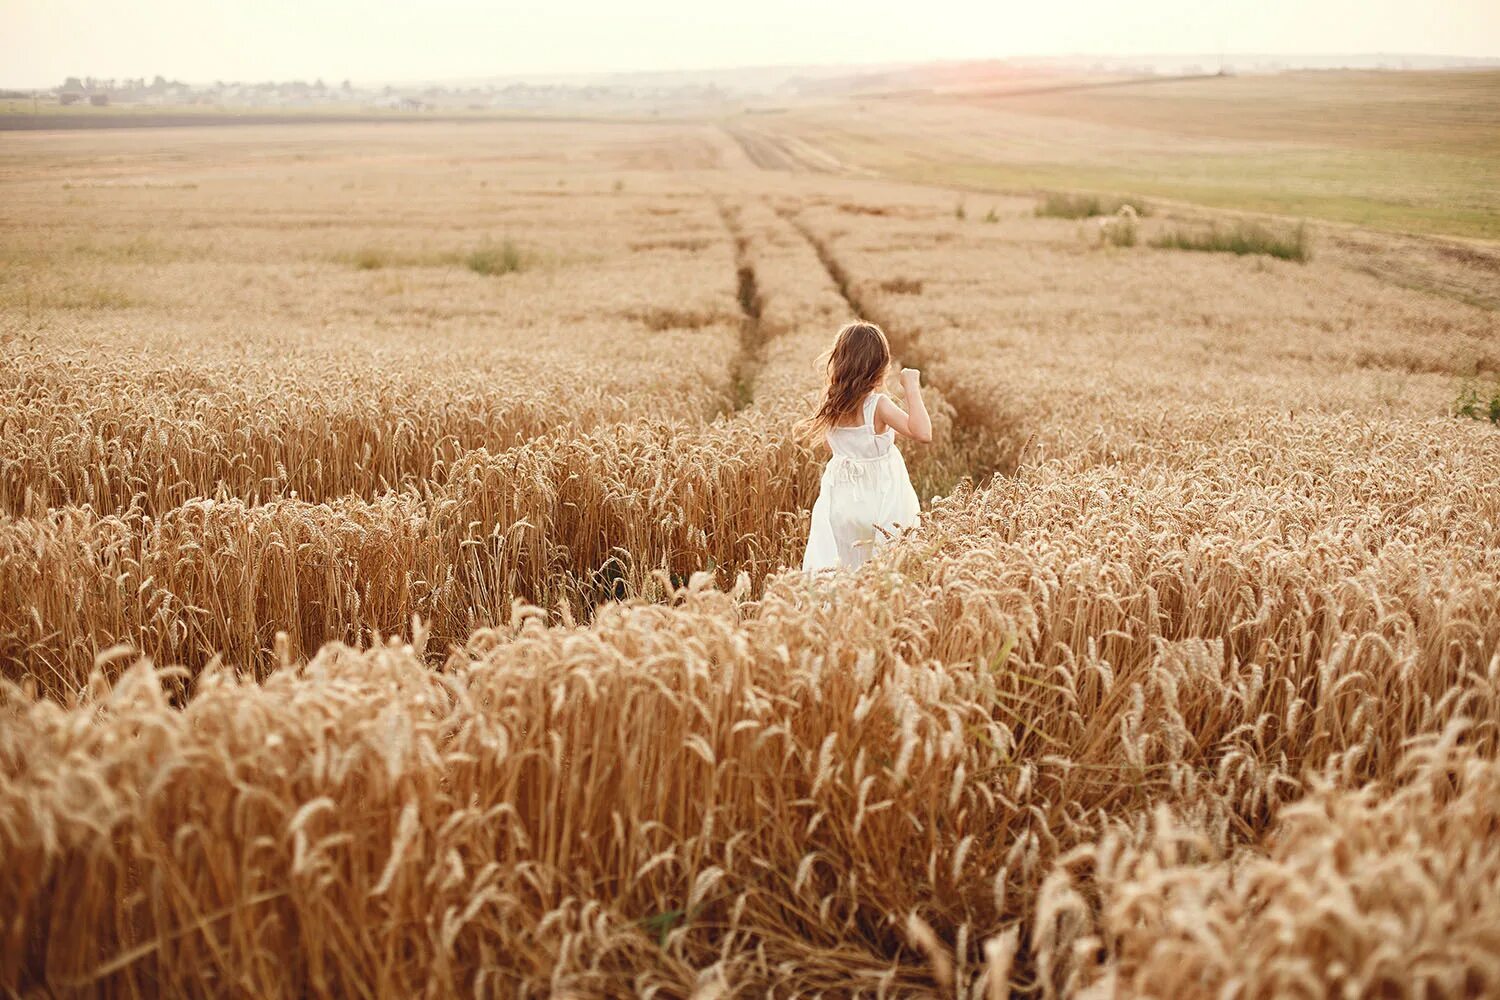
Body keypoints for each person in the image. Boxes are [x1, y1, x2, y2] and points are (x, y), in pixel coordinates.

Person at [801, 321, 931, 572]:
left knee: (844, 571)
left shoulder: (832, 405)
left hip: (842, 506)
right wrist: (912, 387)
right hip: (883, 504)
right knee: (886, 570)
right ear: (880, 366)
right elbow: (923, 433)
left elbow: (834, 448)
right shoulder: (877, 405)